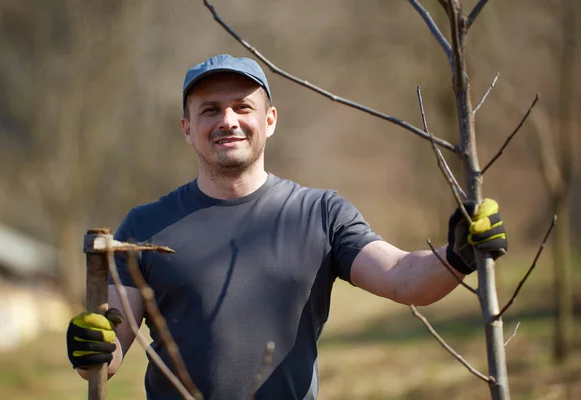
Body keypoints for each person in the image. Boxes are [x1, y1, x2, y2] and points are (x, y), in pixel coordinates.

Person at [66, 54, 507, 400]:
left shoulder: (320, 214)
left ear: (270, 120)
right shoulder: (144, 226)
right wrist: (92, 346)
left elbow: (402, 278)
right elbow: (109, 351)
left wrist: (459, 255)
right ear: (187, 128)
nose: (228, 121)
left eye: (243, 107)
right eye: (210, 110)